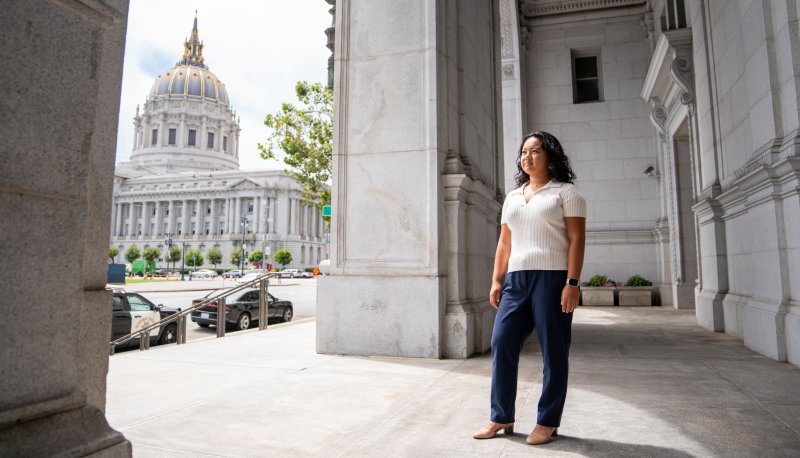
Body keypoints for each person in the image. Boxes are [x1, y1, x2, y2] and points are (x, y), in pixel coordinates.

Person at [473, 131, 586, 445]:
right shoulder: (512, 197)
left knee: (554, 351)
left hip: (553, 279)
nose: (527, 157)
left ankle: (547, 421)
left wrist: (572, 283)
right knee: (502, 342)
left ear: (550, 156)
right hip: (516, 281)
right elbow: (504, 242)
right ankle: (501, 416)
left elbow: (577, 239)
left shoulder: (566, 193)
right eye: (524, 152)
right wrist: (497, 279)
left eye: (535, 151)